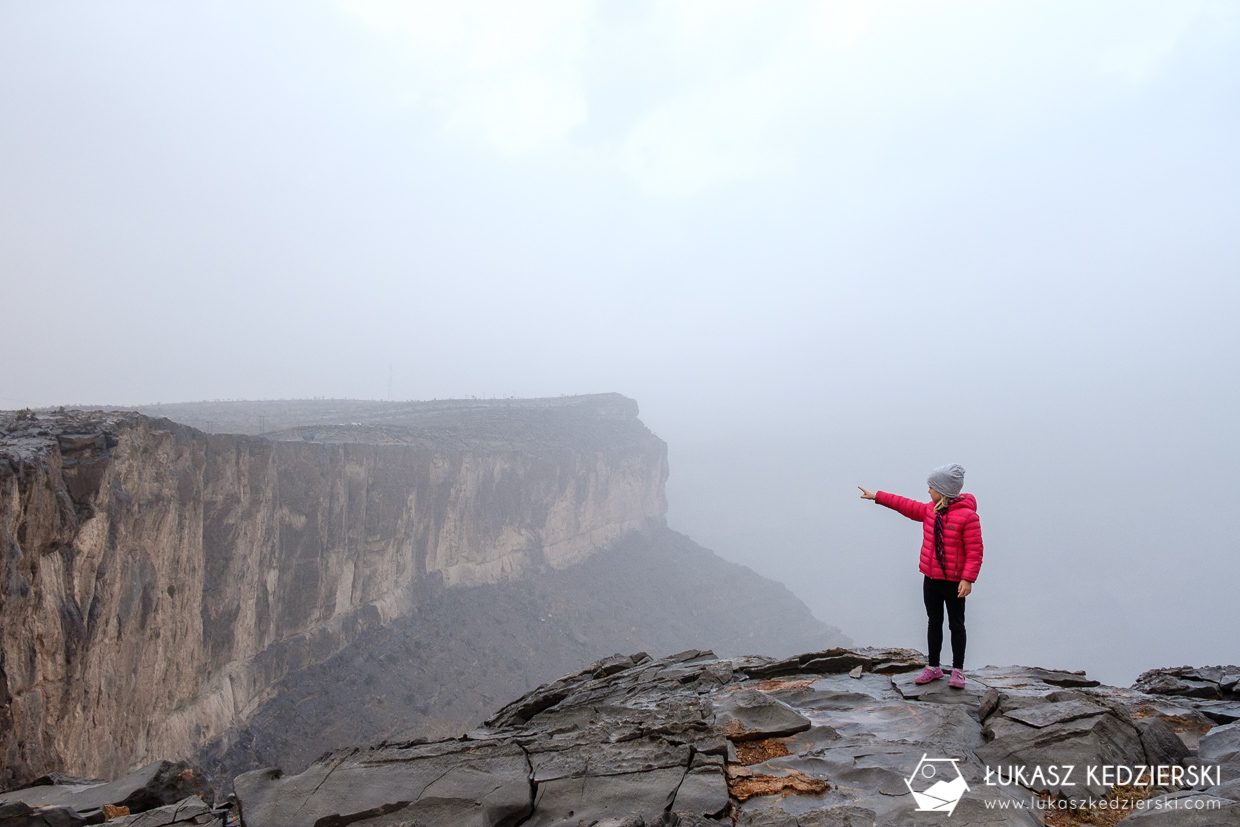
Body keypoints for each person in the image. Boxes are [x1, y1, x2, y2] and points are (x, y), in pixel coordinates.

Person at [858, 464, 982, 689]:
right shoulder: (930, 510)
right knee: (934, 622)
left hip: (954, 582)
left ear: (943, 490)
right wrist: (877, 496)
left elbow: (974, 551)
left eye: (931, 487)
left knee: (956, 624)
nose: (928, 491)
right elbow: (905, 505)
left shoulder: (968, 517)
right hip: (931, 579)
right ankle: (934, 667)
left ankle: (957, 671)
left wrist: (968, 579)